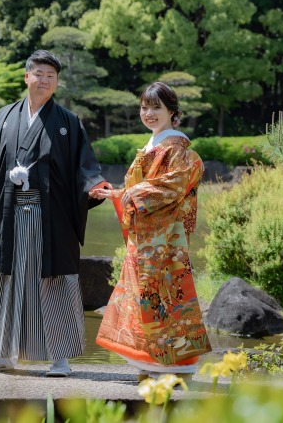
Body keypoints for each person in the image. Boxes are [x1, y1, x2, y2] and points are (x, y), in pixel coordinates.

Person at [0, 50, 110, 377]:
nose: (43, 80)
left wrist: (94, 188)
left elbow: (85, 169)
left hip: (52, 216)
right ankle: (2, 354)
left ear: (56, 83)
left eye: (50, 76)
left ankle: (60, 358)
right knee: (9, 280)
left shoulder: (68, 123)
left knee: (55, 280)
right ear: (27, 76)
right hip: (11, 214)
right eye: (38, 73)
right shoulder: (2, 118)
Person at [90, 82, 211, 378]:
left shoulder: (179, 150)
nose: (149, 113)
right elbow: (139, 188)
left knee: (165, 295)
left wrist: (130, 195)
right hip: (145, 236)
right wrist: (118, 194)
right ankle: (149, 359)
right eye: (145, 107)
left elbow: (172, 186)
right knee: (145, 294)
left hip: (165, 238)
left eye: (156, 107)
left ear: (173, 112)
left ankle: (173, 362)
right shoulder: (151, 145)